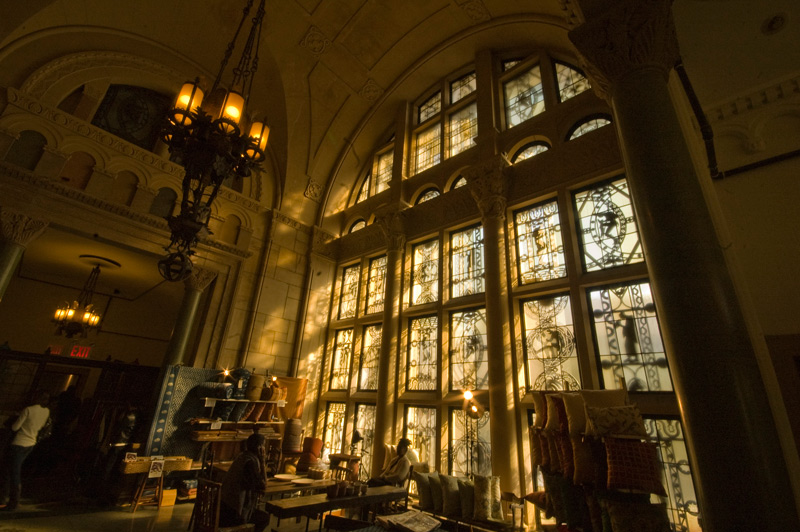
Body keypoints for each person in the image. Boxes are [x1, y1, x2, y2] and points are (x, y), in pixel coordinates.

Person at [1, 391, 50, 511]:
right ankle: (7, 498)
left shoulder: (28, 410)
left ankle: (12, 501)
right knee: (12, 469)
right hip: (31, 443)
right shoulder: (46, 412)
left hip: (19, 442)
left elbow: (15, 427)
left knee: (12, 472)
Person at [219, 433, 269, 532]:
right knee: (265, 518)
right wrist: (263, 461)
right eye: (264, 446)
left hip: (222, 508)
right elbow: (263, 486)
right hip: (233, 514)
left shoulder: (242, 456)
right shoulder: (250, 463)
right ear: (260, 448)